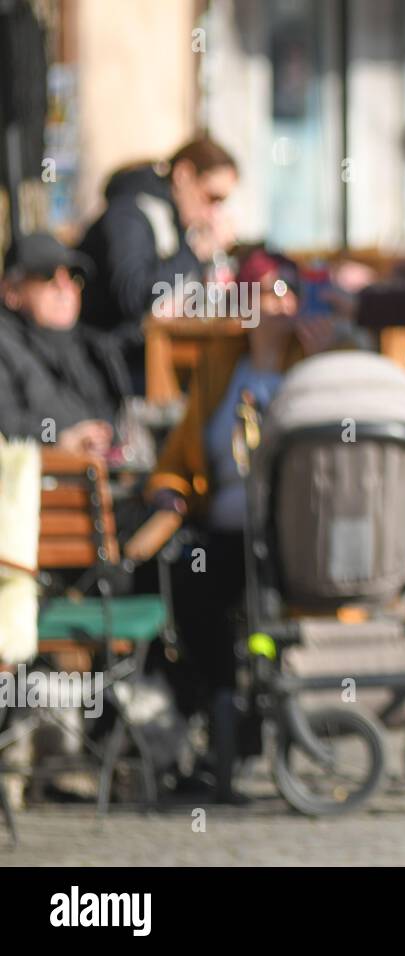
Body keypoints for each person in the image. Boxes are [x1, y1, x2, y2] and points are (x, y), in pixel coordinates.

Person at [146, 250, 334, 802]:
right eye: (265, 293)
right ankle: (218, 711)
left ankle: (243, 722)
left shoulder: (318, 358)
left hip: (297, 536)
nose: (279, 304)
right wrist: (167, 487)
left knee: (248, 589)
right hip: (226, 528)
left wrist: (321, 367)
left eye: (288, 291)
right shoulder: (222, 361)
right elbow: (182, 453)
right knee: (181, 581)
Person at [78, 136, 240, 389]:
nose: (214, 213)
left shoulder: (177, 221)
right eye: (211, 198)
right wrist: (195, 254)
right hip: (107, 368)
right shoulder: (130, 212)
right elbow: (134, 295)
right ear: (183, 175)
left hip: (145, 359)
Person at [0, 232, 129, 454]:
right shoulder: (6, 346)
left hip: (113, 472)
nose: (64, 287)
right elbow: (9, 426)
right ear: (11, 291)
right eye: (48, 276)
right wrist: (57, 438)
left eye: (72, 275)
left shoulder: (95, 347)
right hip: (48, 480)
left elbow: (122, 417)